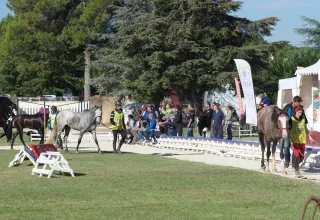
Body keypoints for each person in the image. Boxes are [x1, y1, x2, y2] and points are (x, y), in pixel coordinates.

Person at [282, 96, 306, 168]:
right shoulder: (287, 107)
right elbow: (282, 116)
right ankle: (287, 160)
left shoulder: (301, 107)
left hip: (296, 130)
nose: (299, 103)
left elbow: (304, 118)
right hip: (288, 129)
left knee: (295, 147)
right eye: (297, 102)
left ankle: (294, 163)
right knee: (286, 146)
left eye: (299, 102)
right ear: (294, 101)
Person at [289, 105, 313, 177]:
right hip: (294, 139)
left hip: (302, 140)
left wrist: (309, 136)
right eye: (299, 112)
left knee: (301, 157)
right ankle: (297, 171)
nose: (300, 114)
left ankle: (295, 165)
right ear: (296, 112)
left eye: (301, 112)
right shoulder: (291, 119)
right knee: (296, 154)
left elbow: (305, 128)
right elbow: (288, 129)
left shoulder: (303, 118)